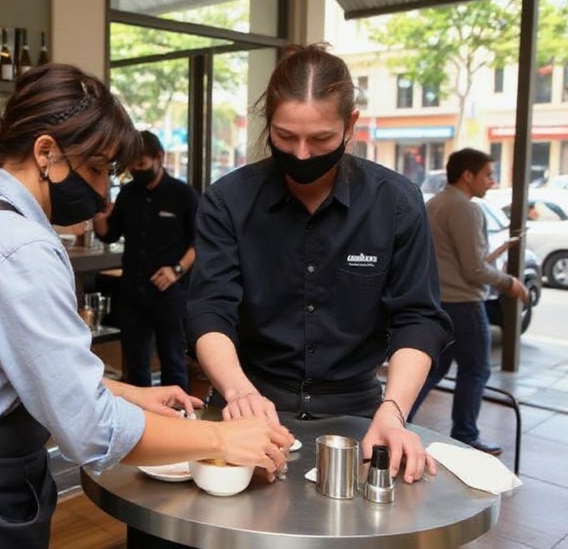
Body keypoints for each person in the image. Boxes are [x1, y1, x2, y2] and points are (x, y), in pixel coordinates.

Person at [0, 63, 292, 549]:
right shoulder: (19, 246)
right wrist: (223, 441)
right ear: (46, 152)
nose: (104, 189)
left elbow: (15, 370)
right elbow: (89, 429)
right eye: (98, 169)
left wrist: (128, 393)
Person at [186, 44, 452, 484]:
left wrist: (394, 411)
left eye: (321, 138)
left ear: (350, 125)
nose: (303, 155)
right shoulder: (228, 201)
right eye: (286, 137)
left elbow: (418, 317)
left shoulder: (395, 202)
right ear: (267, 124)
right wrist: (238, 390)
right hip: (247, 403)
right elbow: (209, 309)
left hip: (356, 414)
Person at [408, 149, 529, 455]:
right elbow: (472, 269)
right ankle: (465, 434)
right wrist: (510, 282)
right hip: (464, 305)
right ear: (467, 175)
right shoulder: (465, 209)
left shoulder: (435, 203)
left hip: (439, 301)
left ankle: (398, 420)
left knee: (432, 369)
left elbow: (451, 260)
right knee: (476, 370)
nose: (492, 181)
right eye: (488, 174)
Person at [93, 130, 199, 390]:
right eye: (132, 166)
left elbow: (201, 241)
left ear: (158, 158)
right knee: (136, 366)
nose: (136, 170)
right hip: (132, 292)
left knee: (172, 362)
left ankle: (178, 424)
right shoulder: (128, 193)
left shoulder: (183, 194)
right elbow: (109, 234)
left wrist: (176, 270)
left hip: (169, 292)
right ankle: (143, 425)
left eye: (141, 164)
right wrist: (98, 215)